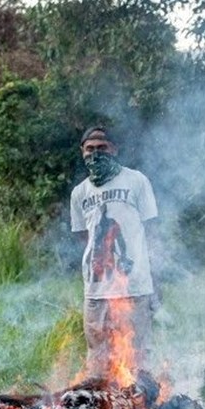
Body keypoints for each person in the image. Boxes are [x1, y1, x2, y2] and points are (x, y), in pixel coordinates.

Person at [68, 126, 159, 382]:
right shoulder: (79, 193)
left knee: (137, 357)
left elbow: (152, 231)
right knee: (98, 359)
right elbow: (83, 236)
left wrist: (154, 277)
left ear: (114, 149)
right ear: (82, 152)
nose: (95, 154)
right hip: (96, 290)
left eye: (102, 148)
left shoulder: (136, 181)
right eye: (90, 149)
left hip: (134, 286)